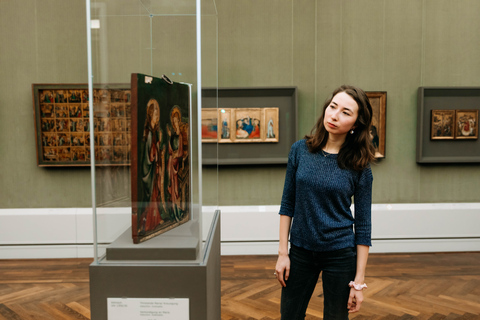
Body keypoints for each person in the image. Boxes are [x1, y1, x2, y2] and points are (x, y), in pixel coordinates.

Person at [275, 85, 376, 319]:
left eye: (345, 112)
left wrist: (359, 281)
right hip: (300, 250)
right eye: (333, 107)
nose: (334, 115)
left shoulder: (359, 165)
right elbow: (287, 203)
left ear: (356, 124)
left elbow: (363, 226)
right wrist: (283, 253)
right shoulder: (300, 150)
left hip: (340, 254)